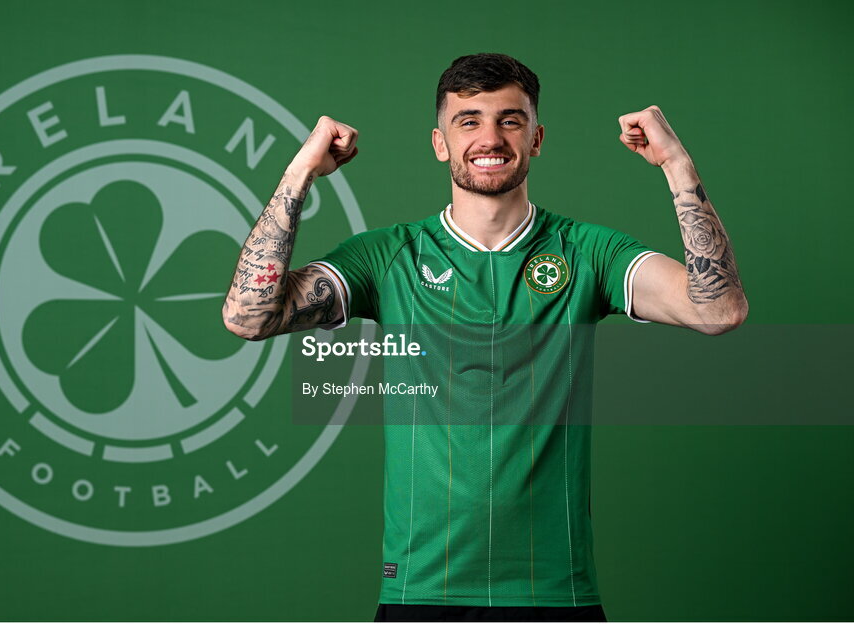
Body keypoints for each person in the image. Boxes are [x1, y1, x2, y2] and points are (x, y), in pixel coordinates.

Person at [222, 53, 748, 622]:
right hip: (421, 592)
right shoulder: (387, 256)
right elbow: (249, 317)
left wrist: (676, 164)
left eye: (510, 119)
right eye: (468, 121)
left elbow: (717, 310)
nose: (489, 137)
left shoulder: (588, 251)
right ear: (440, 143)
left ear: (537, 137)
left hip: (556, 593)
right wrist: (298, 173)